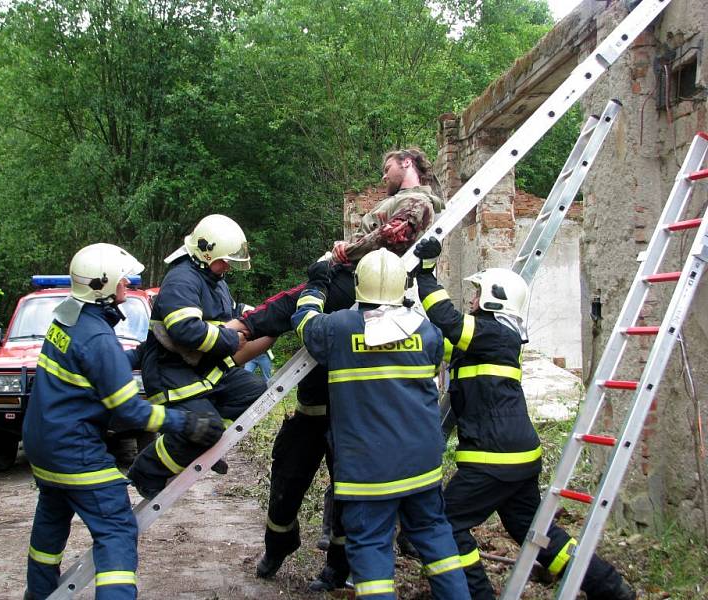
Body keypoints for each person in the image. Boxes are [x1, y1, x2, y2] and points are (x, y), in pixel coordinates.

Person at [234, 148, 443, 588]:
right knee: (289, 476)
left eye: (385, 167)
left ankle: (337, 568)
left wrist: (343, 255)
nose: (381, 175)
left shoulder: (419, 200)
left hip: (366, 291)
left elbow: (396, 235)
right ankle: (279, 546)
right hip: (318, 404)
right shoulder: (395, 200)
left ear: (405, 163)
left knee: (301, 298)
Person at [412, 238, 636, 600]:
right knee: (534, 532)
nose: (471, 300)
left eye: (476, 294)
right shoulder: (495, 338)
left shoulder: (492, 332)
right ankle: (609, 587)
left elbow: (449, 322)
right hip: (517, 459)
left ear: (493, 298)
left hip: (493, 461)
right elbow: (441, 340)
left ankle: (478, 594)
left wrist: (425, 275)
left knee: (446, 524)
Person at [23, 243, 225, 600]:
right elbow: (131, 411)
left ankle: (37, 595)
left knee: (48, 533)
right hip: (77, 455)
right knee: (116, 531)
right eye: (121, 281)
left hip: (44, 451)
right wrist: (187, 423)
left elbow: (91, 362)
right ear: (104, 286)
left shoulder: (67, 318)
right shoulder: (99, 339)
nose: (126, 286)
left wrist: (141, 352)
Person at [291, 249, 470, 600]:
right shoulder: (428, 331)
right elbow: (436, 362)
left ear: (358, 284)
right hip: (422, 464)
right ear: (403, 286)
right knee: (436, 538)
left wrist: (316, 284)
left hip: (367, 470)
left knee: (371, 550)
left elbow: (303, 321)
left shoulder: (337, 328)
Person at [127, 214, 269, 500]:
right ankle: (147, 469)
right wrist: (231, 339)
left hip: (203, 370)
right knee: (206, 428)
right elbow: (185, 331)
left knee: (256, 393)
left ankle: (202, 443)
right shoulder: (181, 280)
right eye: (223, 260)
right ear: (206, 254)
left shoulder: (215, 280)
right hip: (171, 373)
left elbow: (223, 317)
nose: (227, 266)